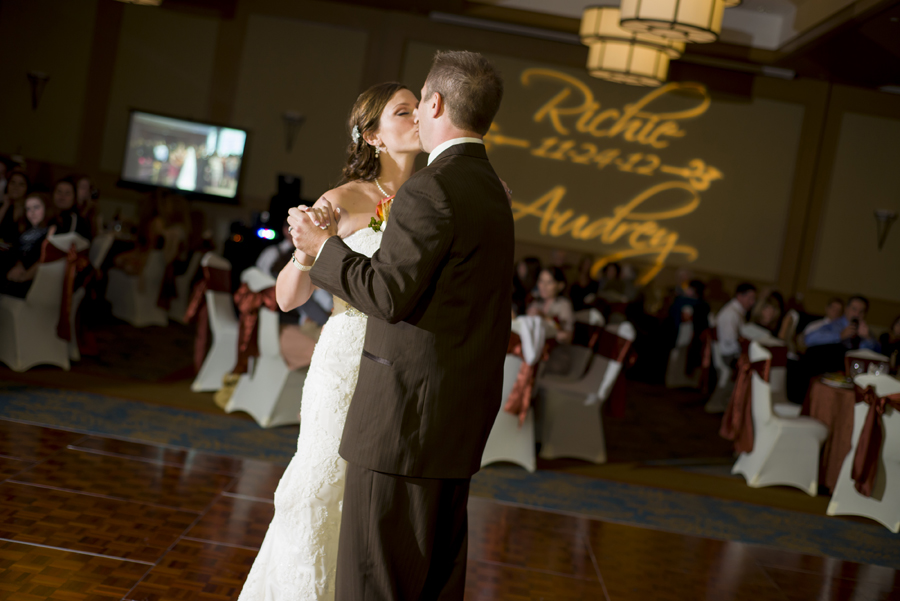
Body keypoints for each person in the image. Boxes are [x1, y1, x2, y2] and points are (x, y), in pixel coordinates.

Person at [288, 50, 511, 600]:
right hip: (452, 416)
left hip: (402, 416)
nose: (414, 118)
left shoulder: (431, 187)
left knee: (375, 581)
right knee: (430, 580)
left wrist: (323, 249)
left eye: (418, 107)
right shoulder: (492, 191)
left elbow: (386, 294)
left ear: (435, 104)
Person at [237, 81, 422, 600]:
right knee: (317, 488)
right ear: (373, 136)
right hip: (343, 363)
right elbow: (287, 299)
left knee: (368, 501)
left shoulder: (427, 202)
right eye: (402, 112)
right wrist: (303, 251)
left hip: (398, 368)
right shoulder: (341, 201)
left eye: (418, 110)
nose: (416, 118)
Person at [2, 192, 54, 297]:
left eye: (36, 207)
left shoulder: (51, 229)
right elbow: (17, 250)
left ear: (46, 208)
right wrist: (18, 264)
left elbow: (44, 258)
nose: (32, 212)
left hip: (29, 277)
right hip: (15, 267)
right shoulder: (27, 228)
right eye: (28, 209)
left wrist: (24, 276)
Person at [804, 295, 879, 351]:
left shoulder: (865, 331)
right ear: (846, 309)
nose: (857, 314)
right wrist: (840, 336)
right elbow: (809, 339)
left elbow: (878, 351)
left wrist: (868, 338)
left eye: (861, 312)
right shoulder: (835, 325)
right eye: (854, 309)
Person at [527, 266, 574, 343]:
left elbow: (568, 336)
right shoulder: (536, 302)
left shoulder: (564, 305)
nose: (543, 286)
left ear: (560, 285)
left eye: (549, 282)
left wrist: (545, 318)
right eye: (541, 281)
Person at [716, 283, 757, 366]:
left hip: (732, 352)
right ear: (739, 296)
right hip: (729, 355)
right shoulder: (731, 313)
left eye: (753, 299)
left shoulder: (738, 311)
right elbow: (729, 339)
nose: (752, 302)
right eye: (750, 298)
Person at [0, 169, 29, 244]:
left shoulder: (30, 210)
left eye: (21, 184)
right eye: (12, 183)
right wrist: (5, 205)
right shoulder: (2, 205)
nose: (16, 187)